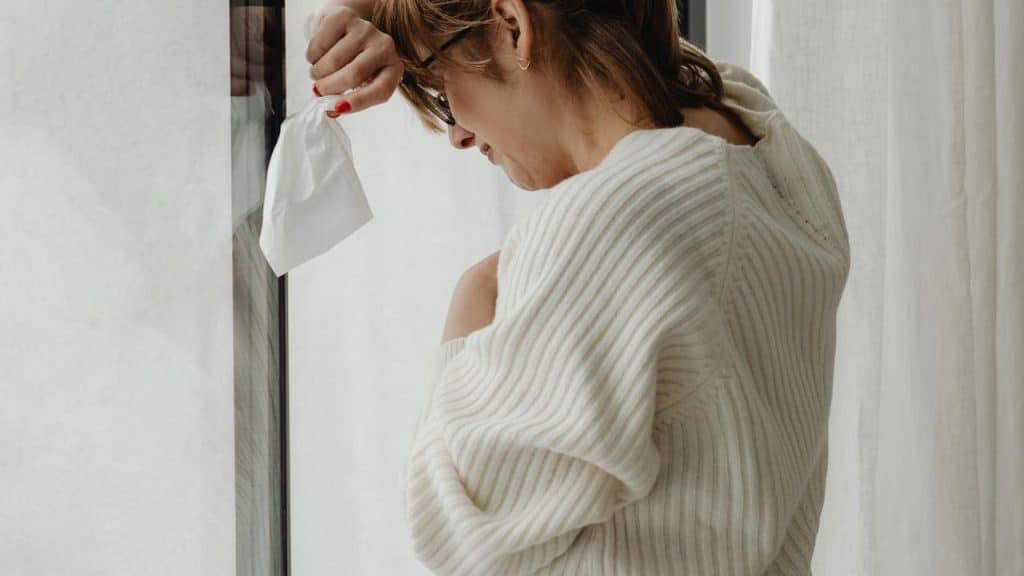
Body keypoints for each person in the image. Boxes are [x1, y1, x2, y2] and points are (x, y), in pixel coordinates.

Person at [307, 0, 852, 574]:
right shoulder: (759, 135)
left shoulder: (613, 224)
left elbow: (454, 530)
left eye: (443, 92)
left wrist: (479, 289)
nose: (458, 135)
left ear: (513, 26)